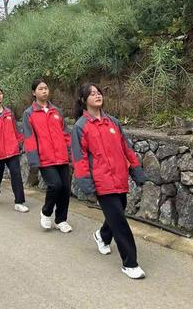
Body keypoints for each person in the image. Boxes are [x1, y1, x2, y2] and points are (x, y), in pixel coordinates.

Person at [71, 82, 147, 280]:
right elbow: (79, 158)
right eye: (92, 94)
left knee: (117, 212)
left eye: (99, 93)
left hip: (119, 177)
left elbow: (126, 148)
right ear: (83, 100)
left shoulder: (113, 122)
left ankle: (102, 236)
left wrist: (136, 169)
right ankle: (130, 263)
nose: (97, 96)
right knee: (120, 221)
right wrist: (86, 183)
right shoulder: (81, 126)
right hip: (102, 181)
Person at [23, 79, 72, 233]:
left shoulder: (56, 111)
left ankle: (61, 219)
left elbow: (65, 133)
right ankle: (46, 212)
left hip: (62, 156)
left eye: (46, 88)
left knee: (65, 188)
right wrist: (33, 160)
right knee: (55, 185)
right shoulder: (29, 113)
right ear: (34, 93)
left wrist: (71, 152)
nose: (44, 91)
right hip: (45, 157)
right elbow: (29, 138)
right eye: (40, 89)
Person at [0, 87, 29, 212]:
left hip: (12, 150)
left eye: (1, 93)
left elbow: (15, 130)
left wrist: (20, 142)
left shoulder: (9, 112)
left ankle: (19, 202)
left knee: (16, 175)